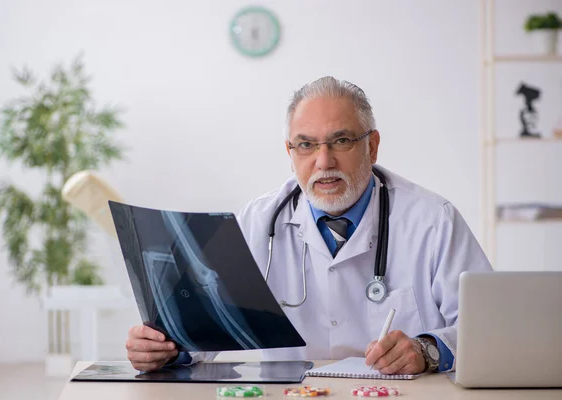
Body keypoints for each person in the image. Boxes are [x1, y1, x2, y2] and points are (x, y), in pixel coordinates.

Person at [125, 76, 493, 374]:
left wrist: (428, 349)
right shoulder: (259, 220)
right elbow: (205, 330)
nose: (323, 160)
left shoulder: (432, 220)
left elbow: (489, 327)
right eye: (306, 145)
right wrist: (165, 349)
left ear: (373, 146)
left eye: (341, 140)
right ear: (290, 153)